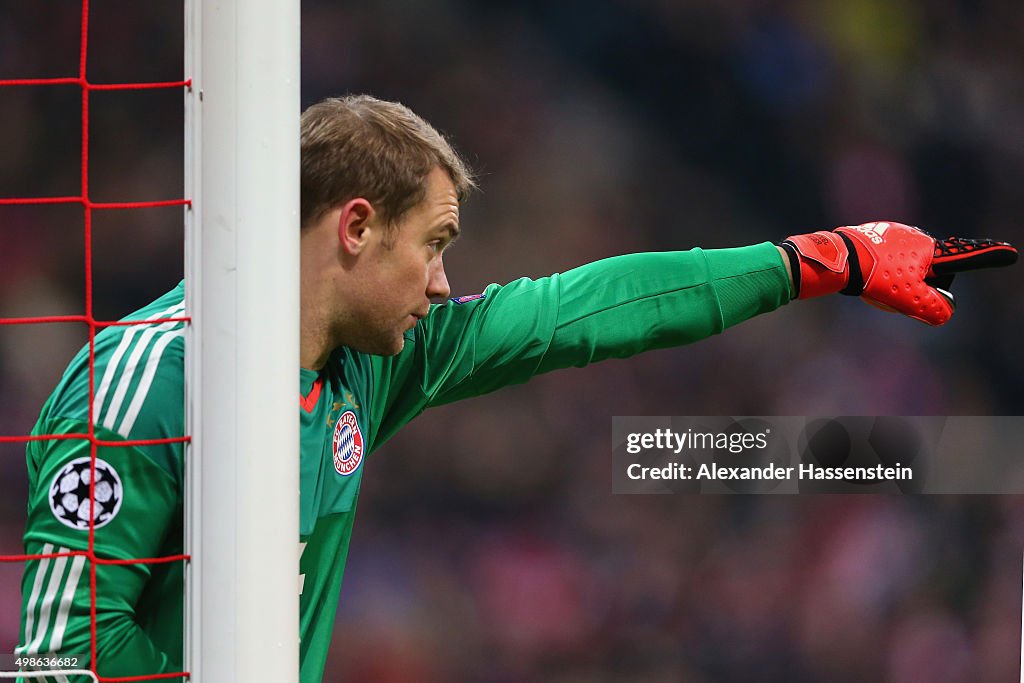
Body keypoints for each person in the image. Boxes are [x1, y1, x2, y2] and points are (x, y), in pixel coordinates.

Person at [16, 94, 1017, 683]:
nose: (446, 282)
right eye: (435, 245)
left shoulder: (374, 361)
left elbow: (584, 311)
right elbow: (57, 657)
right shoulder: (148, 379)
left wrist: (818, 258)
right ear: (355, 227)